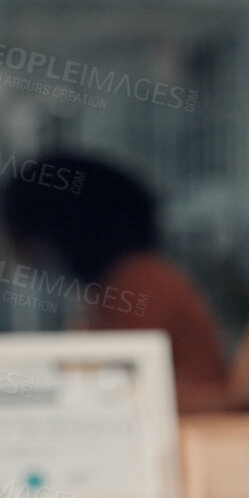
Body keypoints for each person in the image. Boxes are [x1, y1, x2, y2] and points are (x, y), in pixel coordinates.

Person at [0, 150, 230, 413]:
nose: (27, 253)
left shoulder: (139, 282)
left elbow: (113, 390)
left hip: (190, 430)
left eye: (27, 236)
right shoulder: (115, 284)